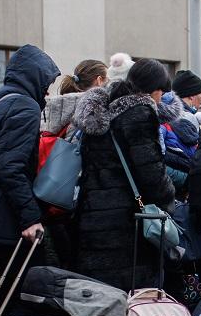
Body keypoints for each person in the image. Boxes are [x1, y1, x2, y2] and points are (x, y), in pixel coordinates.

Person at [0, 45, 60, 302]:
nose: (48, 90)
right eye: (47, 82)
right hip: (6, 225)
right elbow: (9, 166)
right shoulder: (25, 106)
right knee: (16, 310)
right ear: (35, 77)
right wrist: (30, 218)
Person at [70, 58, 176, 290]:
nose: (160, 98)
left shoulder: (104, 110)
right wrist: (169, 198)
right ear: (153, 89)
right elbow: (152, 173)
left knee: (99, 297)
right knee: (132, 300)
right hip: (127, 225)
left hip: (93, 217)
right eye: (160, 92)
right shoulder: (139, 113)